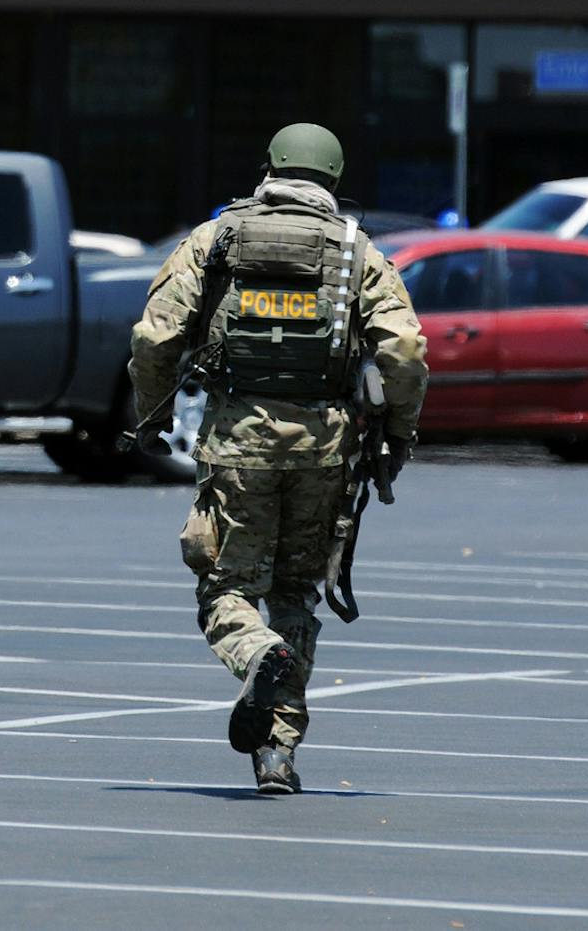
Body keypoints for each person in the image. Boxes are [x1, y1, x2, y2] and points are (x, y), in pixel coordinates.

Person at [128, 123, 426, 795]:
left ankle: (259, 652)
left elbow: (156, 335)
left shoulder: (218, 239)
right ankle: (277, 753)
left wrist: (152, 417)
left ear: (269, 167)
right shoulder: (357, 251)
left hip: (238, 440)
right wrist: (398, 434)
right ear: (333, 178)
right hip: (326, 445)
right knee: (295, 593)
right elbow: (404, 350)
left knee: (224, 590)